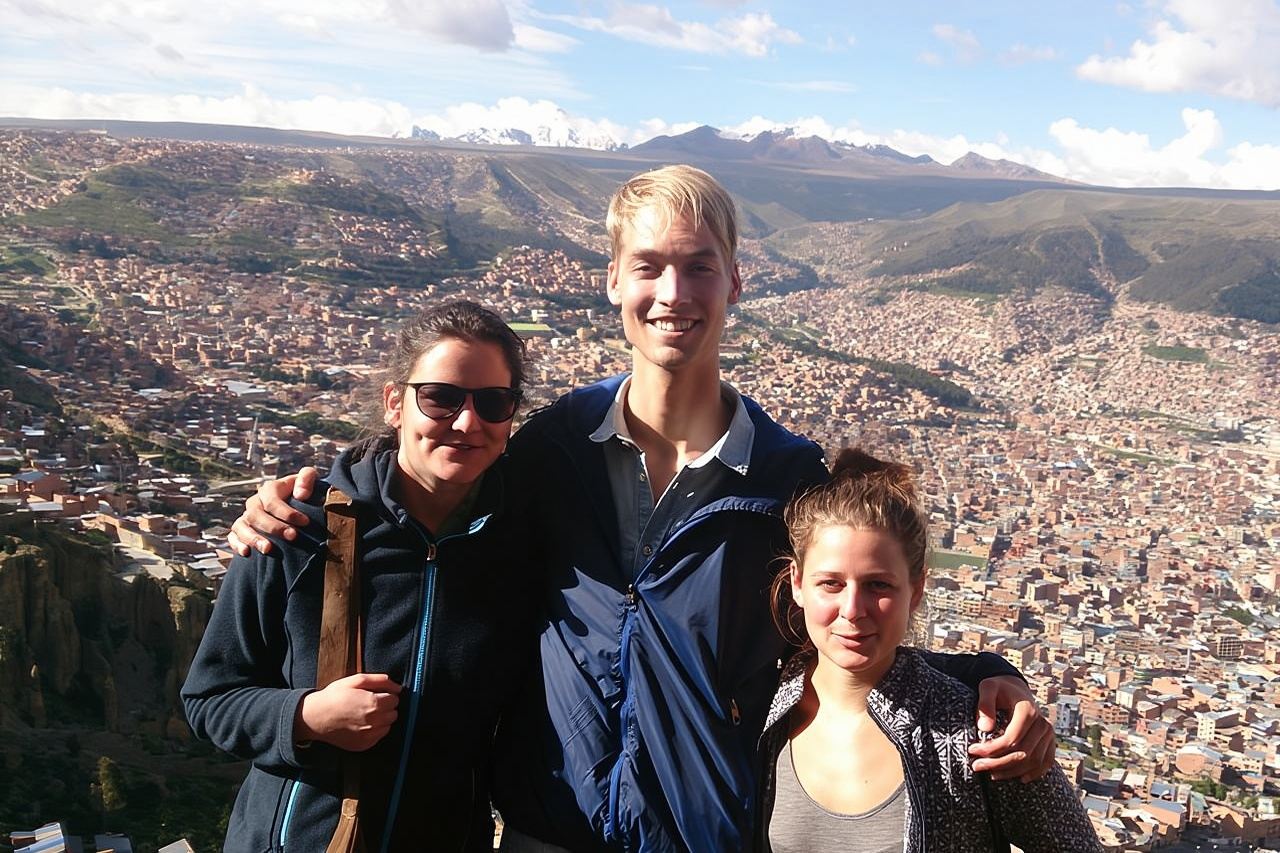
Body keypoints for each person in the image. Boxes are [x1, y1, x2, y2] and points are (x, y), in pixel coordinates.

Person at [229, 165, 1057, 852]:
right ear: (613, 281)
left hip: (701, 832)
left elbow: (846, 616)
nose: (674, 292)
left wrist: (983, 674)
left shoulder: (785, 474)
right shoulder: (550, 450)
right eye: (651, 265)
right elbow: (430, 487)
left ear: (735, 280)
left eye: (700, 266)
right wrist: (305, 497)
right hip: (543, 827)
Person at [183, 301, 537, 851]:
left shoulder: (522, 548)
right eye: (441, 397)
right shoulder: (299, 527)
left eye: (494, 402)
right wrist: (305, 716)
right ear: (395, 403)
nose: (467, 422)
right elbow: (209, 699)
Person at [760, 448, 1101, 853]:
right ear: (797, 583)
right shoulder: (759, 714)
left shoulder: (977, 734)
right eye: (831, 583)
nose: (852, 611)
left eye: (878, 586)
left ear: (916, 590)